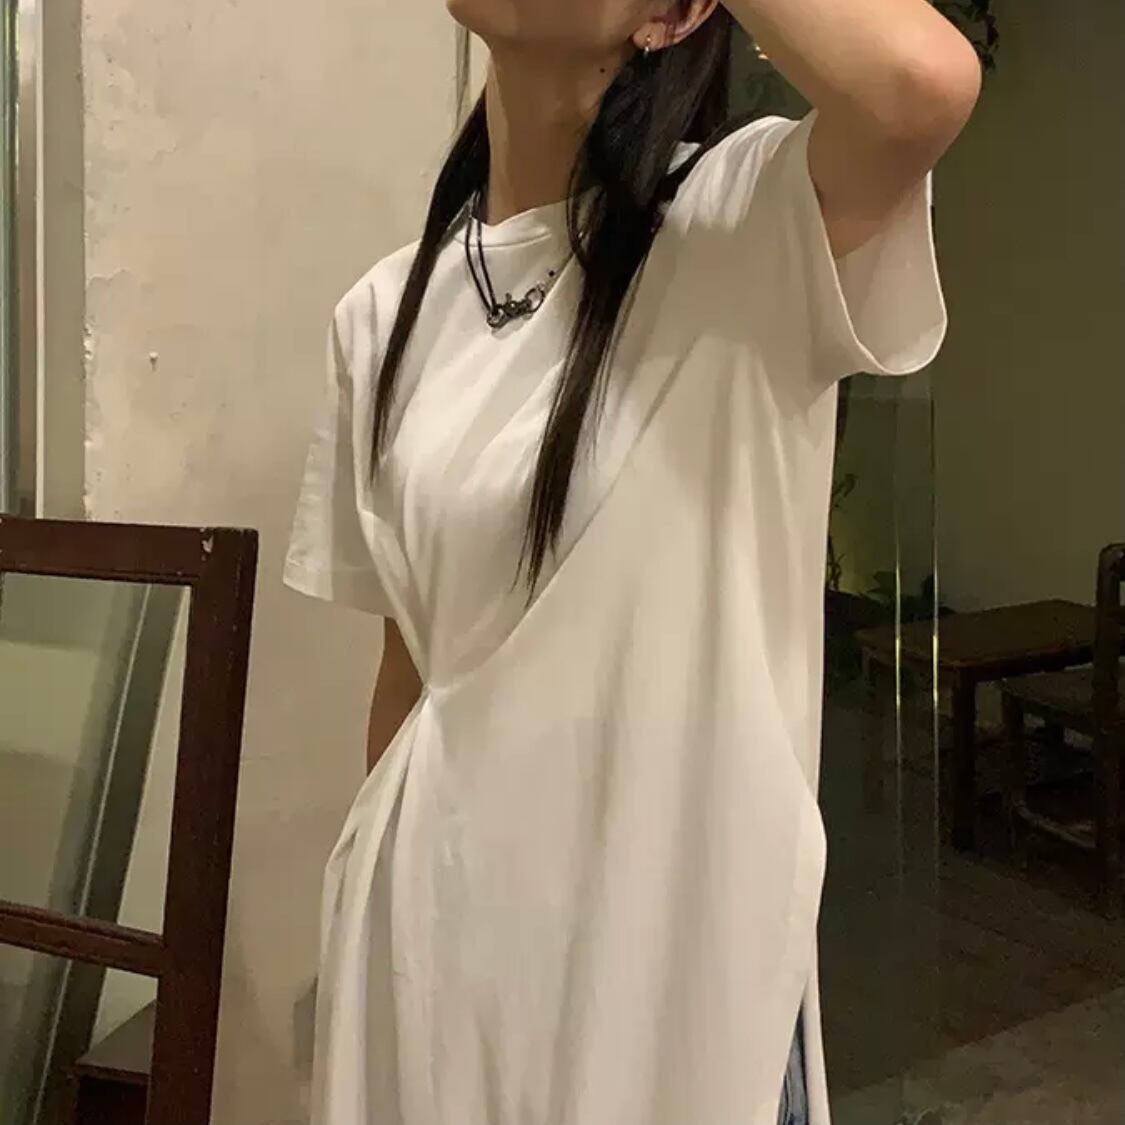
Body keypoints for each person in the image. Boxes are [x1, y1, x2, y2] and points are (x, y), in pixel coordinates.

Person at [284, 1, 979, 1122]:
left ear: (675, 12)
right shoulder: (381, 313)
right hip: (432, 965)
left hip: (673, 1001)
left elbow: (919, 84)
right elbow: (407, 676)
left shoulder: (740, 223)